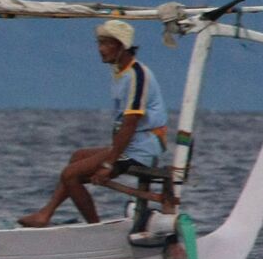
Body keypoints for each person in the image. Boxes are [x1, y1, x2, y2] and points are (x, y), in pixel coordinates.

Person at [18, 19, 171, 227]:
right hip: (132, 144)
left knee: (70, 175)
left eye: (107, 44)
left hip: (142, 148)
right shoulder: (119, 71)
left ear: (121, 47)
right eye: (99, 43)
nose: (101, 49)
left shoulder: (137, 75)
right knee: (77, 157)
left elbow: (130, 123)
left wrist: (109, 164)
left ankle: (95, 226)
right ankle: (46, 213)